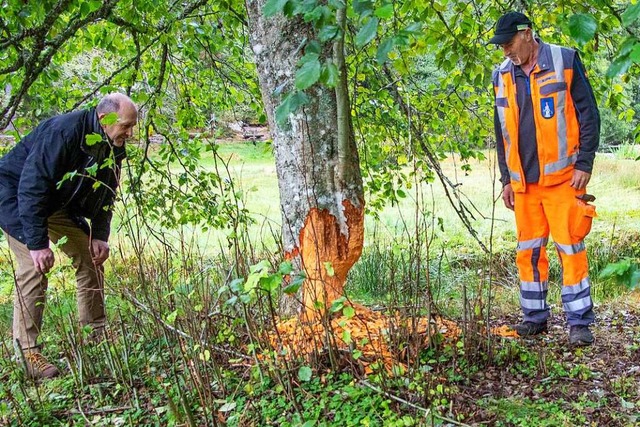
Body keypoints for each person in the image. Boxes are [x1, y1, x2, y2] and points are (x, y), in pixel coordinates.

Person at [0, 93, 138, 378]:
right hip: (16, 196)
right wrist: (37, 244)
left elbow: (107, 189)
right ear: (105, 118)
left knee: (91, 256)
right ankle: (27, 354)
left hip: (54, 202)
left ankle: (95, 336)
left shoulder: (112, 142)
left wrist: (99, 235)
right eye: (126, 125)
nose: (130, 132)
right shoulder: (63, 131)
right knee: (33, 266)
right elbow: (31, 185)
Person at [489, 12, 600, 346]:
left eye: (509, 43)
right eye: (502, 46)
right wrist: (505, 179)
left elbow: (588, 113)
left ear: (527, 34)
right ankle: (534, 319)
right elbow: (501, 130)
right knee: (529, 252)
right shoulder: (501, 75)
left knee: (570, 248)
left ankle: (579, 322)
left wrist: (585, 162)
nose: (505, 51)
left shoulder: (564, 60)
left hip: (565, 179)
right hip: (523, 184)